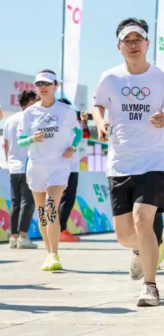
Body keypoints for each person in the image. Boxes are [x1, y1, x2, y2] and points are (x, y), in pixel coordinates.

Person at [92, 18, 164, 306]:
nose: (133, 45)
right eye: (127, 41)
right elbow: (97, 104)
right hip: (120, 162)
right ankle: (146, 249)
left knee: (143, 219)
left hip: (154, 160)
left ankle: (151, 286)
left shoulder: (162, 77)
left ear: (146, 43)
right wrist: (99, 122)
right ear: (119, 47)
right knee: (124, 235)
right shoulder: (110, 77)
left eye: (137, 39)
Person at [17, 70, 82, 271]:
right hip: (36, 166)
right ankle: (48, 254)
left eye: (47, 83)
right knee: (42, 213)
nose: (43, 87)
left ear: (56, 86)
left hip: (59, 164)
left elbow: (77, 132)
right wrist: (31, 139)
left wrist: (73, 147)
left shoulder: (66, 111)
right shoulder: (29, 113)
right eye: (39, 84)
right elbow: (20, 141)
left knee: (51, 207)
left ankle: (54, 253)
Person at [4, 90, 39, 249]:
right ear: (30, 101)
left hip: (13, 166)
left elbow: (6, 144)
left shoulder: (9, 120)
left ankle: (13, 237)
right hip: (27, 165)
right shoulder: (29, 119)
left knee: (15, 203)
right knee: (28, 202)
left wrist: (9, 162)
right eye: (36, 100)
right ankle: (23, 237)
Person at [58, 104, 86, 244]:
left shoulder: (61, 122)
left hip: (62, 165)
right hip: (70, 166)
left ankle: (59, 228)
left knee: (59, 199)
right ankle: (60, 230)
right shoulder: (70, 123)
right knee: (67, 199)